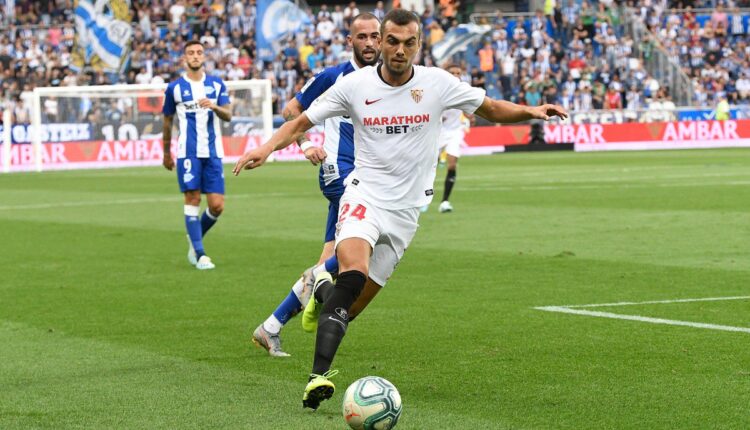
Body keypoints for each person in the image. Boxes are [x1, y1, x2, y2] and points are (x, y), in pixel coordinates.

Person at [232, 9, 567, 410]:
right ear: (382, 42)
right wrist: (266, 149)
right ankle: (317, 378)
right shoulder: (354, 85)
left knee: (349, 309)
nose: (399, 50)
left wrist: (532, 110)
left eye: (409, 43)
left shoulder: (437, 83)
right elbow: (299, 121)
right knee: (352, 276)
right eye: (392, 41)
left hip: (407, 213)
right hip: (364, 197)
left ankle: (320, 288)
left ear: (419, 45)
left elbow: (491, 108)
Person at [251, 13, 383, 357]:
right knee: (360, 249)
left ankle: (271, 326)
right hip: (341, 174)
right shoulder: (333, 76)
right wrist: (307, 144)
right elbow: (291, 110)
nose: (369, 43)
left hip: (368, 177)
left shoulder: (388, 80)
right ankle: (319, 280)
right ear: (350, 40)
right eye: (362, 36)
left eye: (374, 36)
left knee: (332, 258)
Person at [162, 40, 232, 270]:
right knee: (192, 199)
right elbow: (167, 121)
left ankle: (194, 238)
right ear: (184, 58)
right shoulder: (174, 88)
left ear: (204, 57)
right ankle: (200, 254)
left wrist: (214, 107)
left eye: (199, 52)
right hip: (187, 153)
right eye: (190, 53)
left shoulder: (217, 84)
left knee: (217, 206)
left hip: (213, 152)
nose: (195, 56)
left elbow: (228, 115)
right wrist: (166, 152)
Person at [437, 63, 474, 213]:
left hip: (454, 131)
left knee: (452, 164)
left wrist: (470, 116)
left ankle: (445, 201)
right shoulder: (438, 92)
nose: (456, 75)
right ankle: (418, 198)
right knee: (426, 166)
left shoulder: (463, 91)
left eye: (458, 73)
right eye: (452, 72)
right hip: (437, 132)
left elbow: (470, 108)